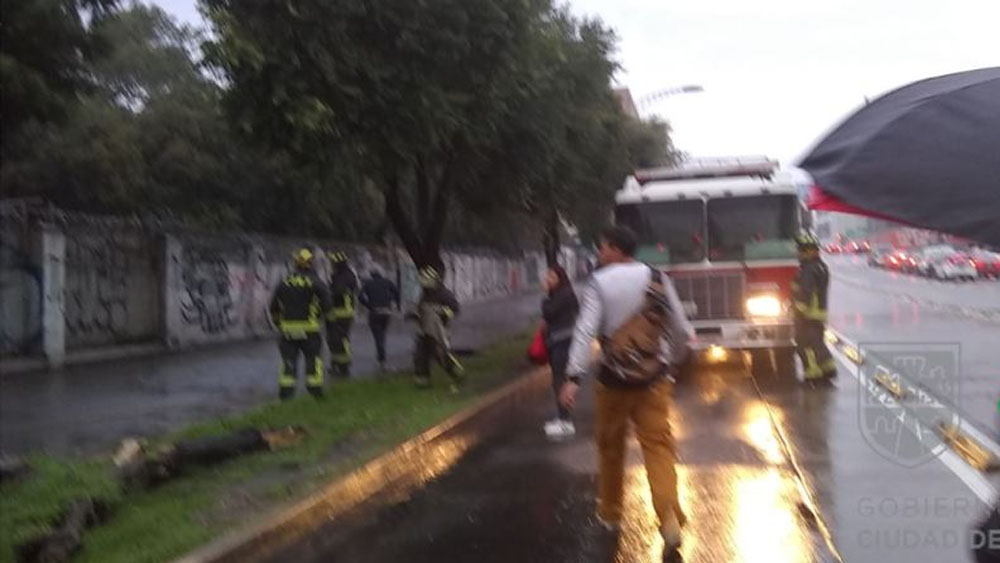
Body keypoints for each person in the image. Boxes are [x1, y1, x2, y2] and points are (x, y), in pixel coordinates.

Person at [560, 225, 692, 559]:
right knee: (659, 447)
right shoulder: (657, 277)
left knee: (610, 448)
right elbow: (678, 326)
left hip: (613, 383)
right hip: (653, 379)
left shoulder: (599, 283)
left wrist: (573, 377)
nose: (599, 253)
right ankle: (669, 517)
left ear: (617, 250)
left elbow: (585, 331)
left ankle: (610, 513)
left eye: (602, 248)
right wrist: (672, 361)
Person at [269, 248, 332, 400]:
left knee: (288, 361)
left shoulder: (284, 282)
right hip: (310, 330)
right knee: (313, 360)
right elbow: (327, 305)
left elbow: (274, 307)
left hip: (288, 331)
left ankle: (286, 393)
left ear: (295, 263)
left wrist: (279, 324)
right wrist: (325, 321)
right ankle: (315, 391)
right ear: (311, 263)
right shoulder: (317, 283)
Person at [410, 266, 465, 392]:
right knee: (420, 356)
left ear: (434, 281)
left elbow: (455, 309)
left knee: (441, 356)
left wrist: (442, 313)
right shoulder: (424, 294)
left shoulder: (444, 294)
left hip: (439, 330)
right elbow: (421, 309)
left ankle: (458, 374)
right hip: (424, 330)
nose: (424, 284)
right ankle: (422, 383)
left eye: (426, 281)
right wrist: (414, 314)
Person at [540, 264, 579, 440]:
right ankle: (563, 419)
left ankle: (565, 421)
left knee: (559, 382)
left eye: (552, 277)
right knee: (559, 380)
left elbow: (549, 312)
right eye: (547, 277)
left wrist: (545, 297)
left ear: (560, 279)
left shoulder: (563, 295)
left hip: (563, 343)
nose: (547, 280)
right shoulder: (563, 294)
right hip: (560, 342)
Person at [792, 233, 837, 381]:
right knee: (818, 343)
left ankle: (813, 373)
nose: (798, 253)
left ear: (809, 251)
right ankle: (828, 368)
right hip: (819, 313)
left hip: (807, 314)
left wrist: (798, 309)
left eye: (801, 250)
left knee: (804, 345)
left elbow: (805, 292)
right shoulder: (822, 267)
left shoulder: (808, 270)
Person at [359, 266, 400, 372]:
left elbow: (360, 296)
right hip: (386, 312)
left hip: (374, 312)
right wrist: (395, 303)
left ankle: (382, 360)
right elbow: (397, 292)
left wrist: (368, 305)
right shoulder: (387, 282)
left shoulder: (368, 283)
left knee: (378, 336)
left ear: (371, 275)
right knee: (382, 334)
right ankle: (380, 358)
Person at [326, 251, 359, 378]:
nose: (331, 265)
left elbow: (338, 292)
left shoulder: (345, 277)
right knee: (333, 340)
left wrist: (329, 292)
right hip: (336, 312)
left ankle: (344, 366)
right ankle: (335, 364)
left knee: (341, 339)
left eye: (333, 263)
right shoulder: (340, 275)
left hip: (343, 313)